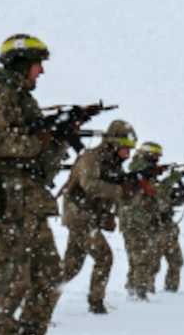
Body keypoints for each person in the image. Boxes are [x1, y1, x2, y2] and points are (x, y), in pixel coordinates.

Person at [0, 34, 68, 335]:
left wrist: (59, 138)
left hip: (30, 201)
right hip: (9, 201)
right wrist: (39, 139)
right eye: (38, 64)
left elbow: (38, 159)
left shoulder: (20, 97)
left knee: (50, 274)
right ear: (22, 64)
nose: (40, 72)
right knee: (8, 275)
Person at [61, 119, 142, 314]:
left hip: (89, 218)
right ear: (114, 143)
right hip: (79, 216)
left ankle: (38, 295)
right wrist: (119, 190)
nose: (128, 152)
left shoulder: (114, 165)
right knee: (104, 257)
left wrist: (133, 191)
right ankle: (96, 304)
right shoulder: (92, 158)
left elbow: (117, 195)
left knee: (69, 268)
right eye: (126, 147)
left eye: (132, 147)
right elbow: (90, 185)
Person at [118, 141, 182, 300]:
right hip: (136, 223)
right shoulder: (138, 173)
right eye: (155, 158)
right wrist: (169, 182)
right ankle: (139, 294)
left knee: (140, 260)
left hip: (141, 222)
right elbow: (155, 194)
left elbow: (156, 197)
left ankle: (136, 291)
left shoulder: (144, 174)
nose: (157, 161)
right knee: (141, 260)